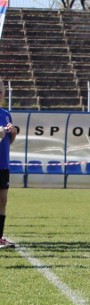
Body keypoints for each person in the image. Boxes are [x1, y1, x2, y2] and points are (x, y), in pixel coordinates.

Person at [0, 81, 17, 249]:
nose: (0, 94)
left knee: (2, 201)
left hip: (3, 164)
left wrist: (13, 133)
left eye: (1, 91)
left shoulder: (5, 114)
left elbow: (9, 141)